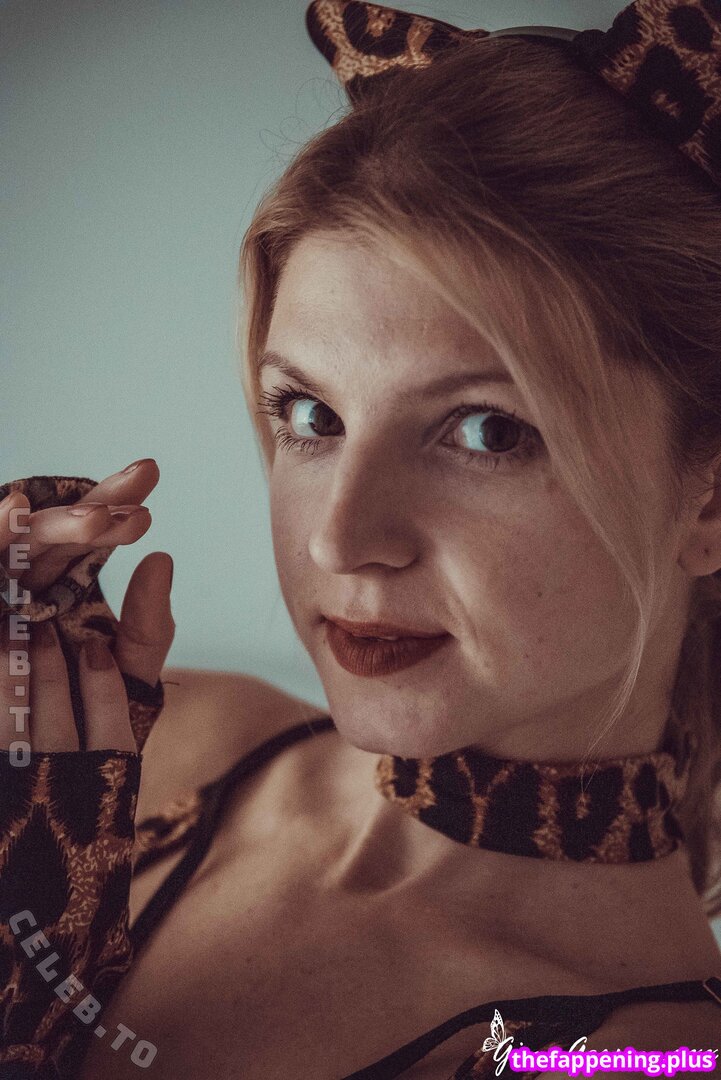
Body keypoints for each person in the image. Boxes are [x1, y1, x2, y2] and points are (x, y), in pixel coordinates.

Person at [2, 0, 721, 1077]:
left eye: (486, 432)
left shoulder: (638, 1054)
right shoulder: (151, 754)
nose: (339, 541)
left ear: (706, 504)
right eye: (311, 415)